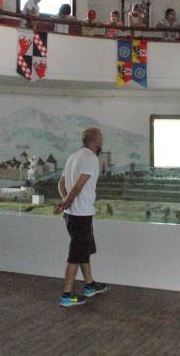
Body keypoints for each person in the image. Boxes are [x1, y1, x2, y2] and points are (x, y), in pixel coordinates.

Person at [54, 127, 108, 307]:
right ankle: (67, 295)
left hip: (73, 215)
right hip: (80, 215)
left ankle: (90, 285)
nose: (102, 141)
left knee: (83, 250)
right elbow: (77, 186)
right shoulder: (91, 159)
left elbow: (61, 182)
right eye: (101, 138)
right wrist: (67, 202)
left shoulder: (73, 156)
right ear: (96, 140)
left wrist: (65, 201)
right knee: (75, 255)